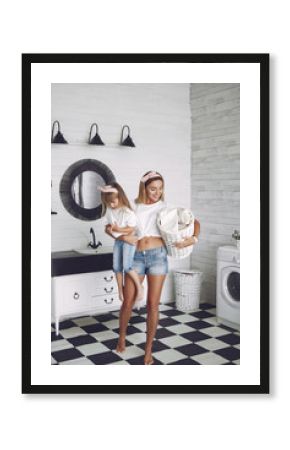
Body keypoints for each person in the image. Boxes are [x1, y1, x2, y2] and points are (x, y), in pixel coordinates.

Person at [105, 171, 200, 365]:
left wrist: (193, 238)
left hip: (158, 256)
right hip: (136, 256)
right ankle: (121, 337)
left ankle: (148, 349)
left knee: (153, 305)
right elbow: (111, 227)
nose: (157, 192)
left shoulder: (167, 208)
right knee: (128, 301)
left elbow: (194, 221)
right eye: (152, 188)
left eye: (160, 188)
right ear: (144, 187)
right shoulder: (132, 206)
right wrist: (118, 234)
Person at [100, 182, 144, 304]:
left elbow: (132, 229)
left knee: (127, 266)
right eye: (108, 202)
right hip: (120, 241)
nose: (111, 204)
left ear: (120, 197)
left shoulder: (127, 212)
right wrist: (110, 229)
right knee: (116, 267)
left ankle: (139, 288)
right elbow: (108, 227)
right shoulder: (110, 210)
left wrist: (118, 230)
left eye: (113, 201)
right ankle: (120, 290)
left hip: (129, 241)